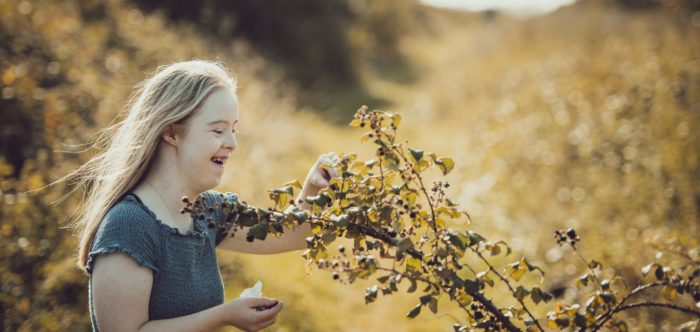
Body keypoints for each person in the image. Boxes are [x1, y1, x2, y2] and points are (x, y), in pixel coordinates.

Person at [63, 60, 338, 331]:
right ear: (172, 133)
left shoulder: (208, 212)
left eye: (234, 129)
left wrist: (313, 188)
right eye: (218, 130)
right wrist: (223, 316)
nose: (232, 143)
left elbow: (296, 234)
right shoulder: (128, 226)